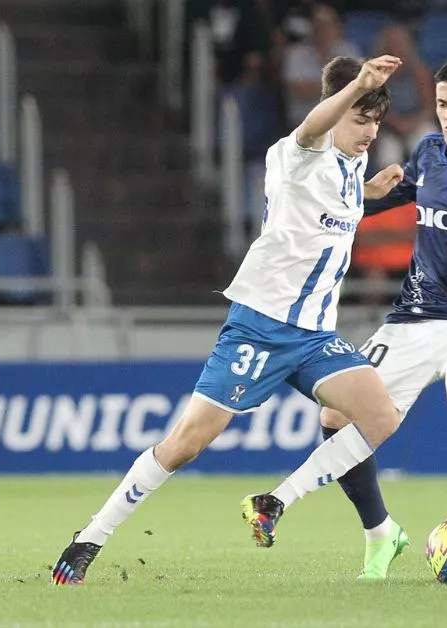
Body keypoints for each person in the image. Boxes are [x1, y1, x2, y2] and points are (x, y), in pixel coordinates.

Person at [50, 55, 407, 586]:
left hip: (313, 336)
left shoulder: (354, 167)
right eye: (359, 118)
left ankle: (279, 500)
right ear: (336, 108)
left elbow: (331, 210)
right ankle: (90, 538)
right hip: (260, 327)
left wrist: (370, 194)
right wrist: (359, 83)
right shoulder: (295, 152)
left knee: (381, 415)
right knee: (185, 444)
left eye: (375, 121)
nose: (369, 132)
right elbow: (313, 130)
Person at [267, 55, 447, 579]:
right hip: (414, 317)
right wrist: (333, 201)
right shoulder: (428, 153)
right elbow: (381, 199)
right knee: (335, 416)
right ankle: (380, 533)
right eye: (442, 104)